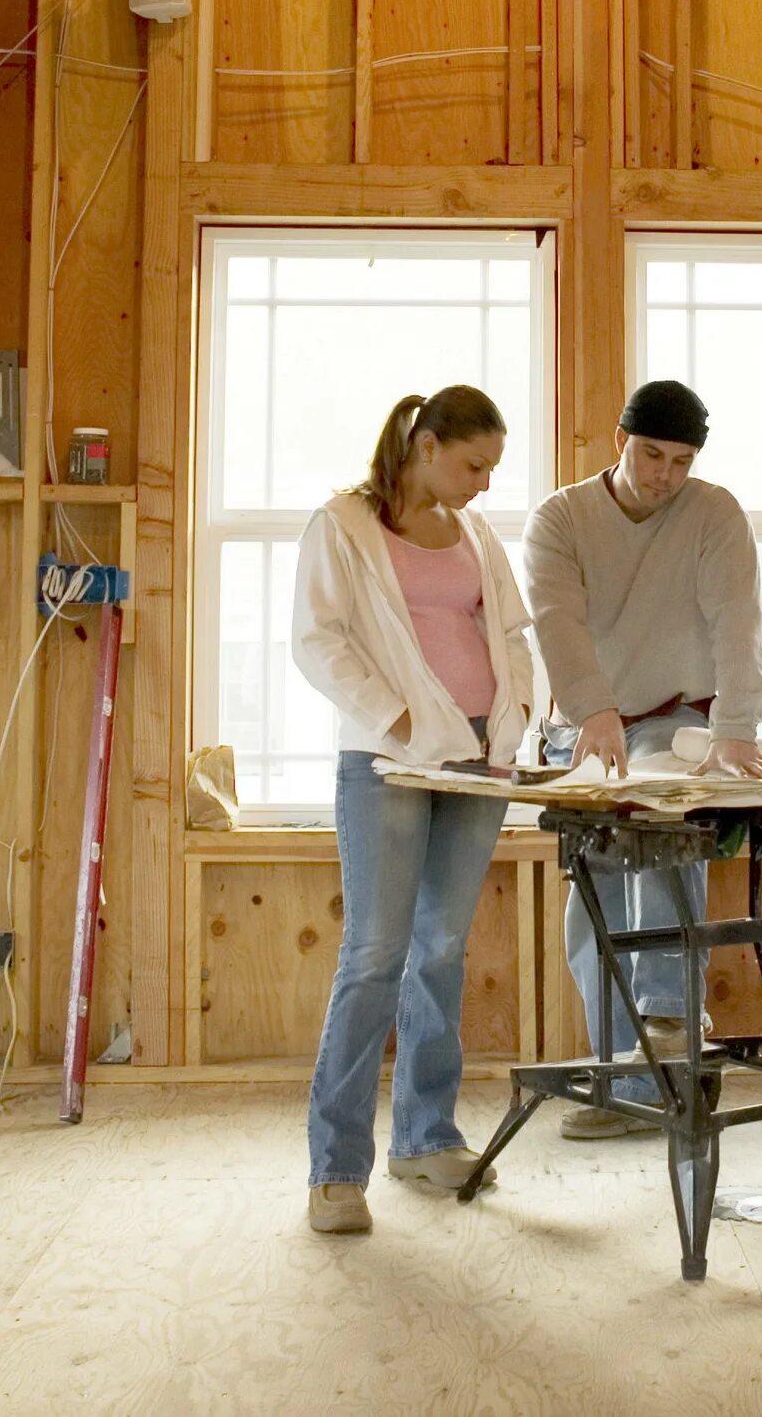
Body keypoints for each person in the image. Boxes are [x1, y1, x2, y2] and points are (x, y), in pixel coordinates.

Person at [292, 385, 535, 1236]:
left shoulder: (476, 533)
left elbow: (509, 633)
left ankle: (426, 1138)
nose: (485, 484)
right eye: (475, 464)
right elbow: (319, 640)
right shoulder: (345, 526)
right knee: (374, 954)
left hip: (478, 757)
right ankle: (336, 1171)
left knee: (440, 950)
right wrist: (396, 721)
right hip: (388, 759)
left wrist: (515, 722)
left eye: (493, 468)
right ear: (426, 445)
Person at [523, 379, 762, 1140]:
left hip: (678, 718)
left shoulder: (713, 513)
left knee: (667, 851)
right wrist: (592, 708)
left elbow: (738, 616)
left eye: (680, 459)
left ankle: (668, 1039)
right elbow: (554, 621)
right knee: (592, 903)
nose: (662, 474)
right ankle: (621, 1078)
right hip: (588, 718)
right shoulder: (562, 518)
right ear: (619, 442)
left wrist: (737, 725)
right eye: (649, 454)